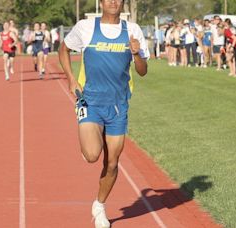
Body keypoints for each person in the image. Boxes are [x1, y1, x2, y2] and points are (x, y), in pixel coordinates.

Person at [58, 0, 149, 227]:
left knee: (112, 162)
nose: (113, 2)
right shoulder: (86, 27)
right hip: (90, 101)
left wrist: (137, 54)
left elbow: (143, 71)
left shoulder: (133, 30)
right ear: (101, 2)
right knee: (92, 155)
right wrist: (70, 78)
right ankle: (90, 141)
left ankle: (99, 206)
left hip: (118, 105)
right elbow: (63, 49)